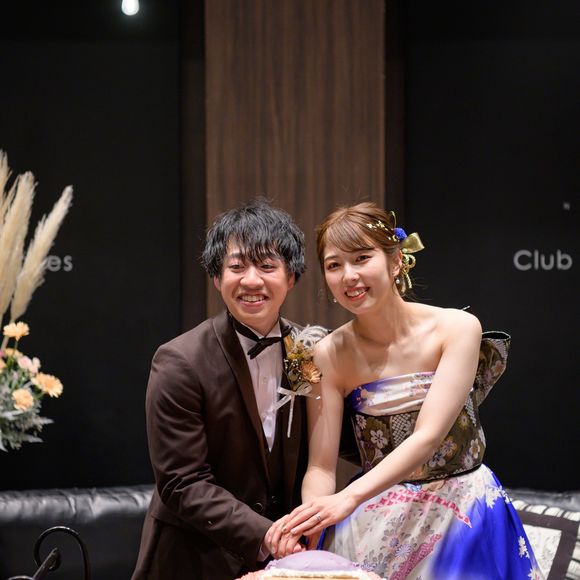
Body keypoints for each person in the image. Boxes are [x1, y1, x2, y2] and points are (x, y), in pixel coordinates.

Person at [267, 202, 542, 579]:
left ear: (396, 261)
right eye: (334, 265)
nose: (349, 276)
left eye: (362, 258)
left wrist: (347, 498)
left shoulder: (457, 329)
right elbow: (320, 466)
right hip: (377, 514)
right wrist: (315, 516)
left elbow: (427, 437)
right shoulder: (328, 354)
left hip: (463, 507)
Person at [132, 199, 310, 580]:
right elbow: (182, 482)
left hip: (283, 563)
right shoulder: (179, 361)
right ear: (216, 278)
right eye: (237, 266)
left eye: (267, 266)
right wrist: (267, 535)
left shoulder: (311, 351)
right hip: (193, 560)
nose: (251, 280)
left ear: (291, 277)